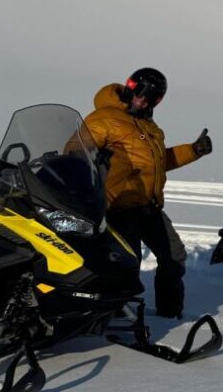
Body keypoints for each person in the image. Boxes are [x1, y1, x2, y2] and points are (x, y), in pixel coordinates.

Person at [81, 67, 212, 318]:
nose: (142, 99)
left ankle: (169, 314)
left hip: (149, 207)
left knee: (174, 257)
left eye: (150, 97)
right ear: (129, 87)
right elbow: (75, 152)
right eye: (138, 92)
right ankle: (116, 317)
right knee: (127, 265)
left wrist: (193, 150)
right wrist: (94, 162)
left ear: (158, 101)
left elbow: (158, 162)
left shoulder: (148, 126)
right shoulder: (104, 117)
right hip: (118, 206)